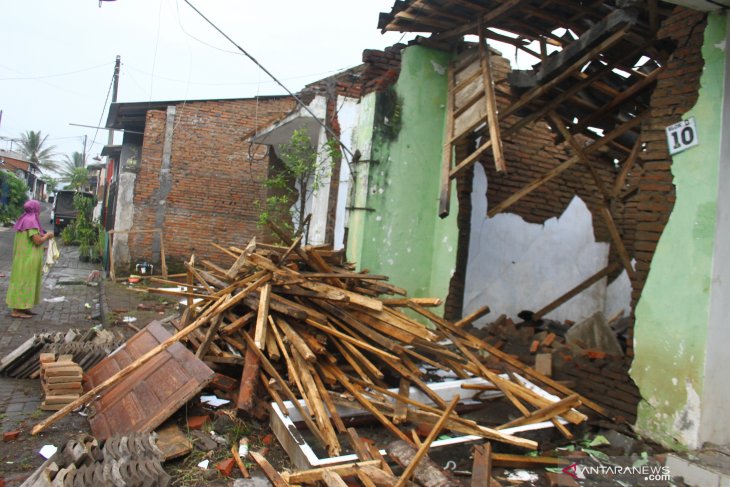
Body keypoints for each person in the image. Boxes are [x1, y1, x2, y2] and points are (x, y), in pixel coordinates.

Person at [6, 200, 54, 319]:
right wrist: (47, 236)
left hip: (23, 257)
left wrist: (43, 248)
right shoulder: (31, 221)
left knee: (26, 282)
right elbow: (37, 240)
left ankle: (24, 308)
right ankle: (17, 310)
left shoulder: (23, 219)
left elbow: (28, 243)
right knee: (24, 283)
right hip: (26, 260)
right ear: (36, 209)